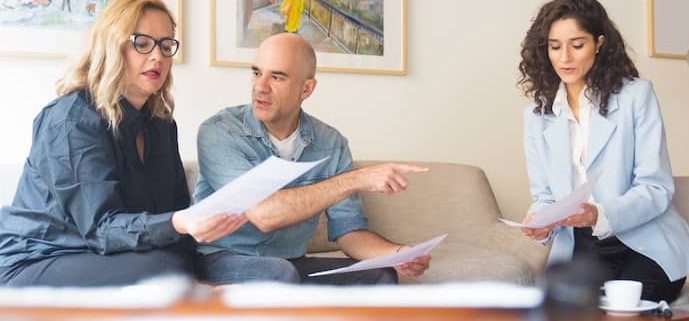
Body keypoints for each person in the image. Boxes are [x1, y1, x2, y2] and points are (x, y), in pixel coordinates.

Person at [0, 0, 258, 286]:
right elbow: (102, 228)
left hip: (132, 256)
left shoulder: (161, 123)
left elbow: (175, 213)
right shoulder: (71, 120)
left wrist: (201, 227)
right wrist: (179, 224)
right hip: (42, 258)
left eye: (165, 45)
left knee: (274, 273)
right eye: (142, 43)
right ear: (111, 46)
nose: (157, 56)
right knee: (163, 272)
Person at [194, 33, 431, 285]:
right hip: (220, 259)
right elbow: (265, 214)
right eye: (256, 73)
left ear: (306, 89)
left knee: (380, 276)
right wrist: (357, 179)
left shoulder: (330, 143)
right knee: (279, 274)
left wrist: (398, 254)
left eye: (276, 77)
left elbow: (350, 233)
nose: (260, 87)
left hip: (290, 262)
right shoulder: (220, 132)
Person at [516, 0, 689, 302]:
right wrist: (540, 224)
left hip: (645, 240)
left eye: (577, 45)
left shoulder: (635, 96)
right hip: (582, 247)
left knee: (620, 304)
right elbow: (544, 197)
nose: (564, 57)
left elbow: (655, 187)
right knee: (568, 306)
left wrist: (598, 214)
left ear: (599, 43)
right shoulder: (537, 116)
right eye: (554, 47)